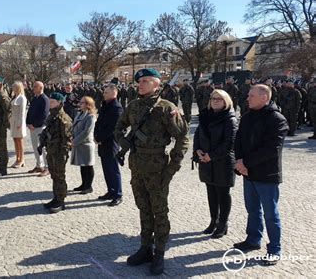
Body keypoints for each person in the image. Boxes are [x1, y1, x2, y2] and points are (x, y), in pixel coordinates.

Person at [114, 68, 189, 276]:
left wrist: (172, 167)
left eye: (146, 81)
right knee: (143, 208)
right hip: (137, 165)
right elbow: (118, 128)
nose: (141, 84)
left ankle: (160, 252)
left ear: (157, 84)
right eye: (140, 81)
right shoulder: (134, 106)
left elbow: (182, 138)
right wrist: (124, 144)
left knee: (159, 211)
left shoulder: (167, 108)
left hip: (158, 168)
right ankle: (145, 247)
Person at [233, 84, 289, 266]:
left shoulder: (277, 119)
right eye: (248, 95)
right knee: (252, 210)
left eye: (251, 96)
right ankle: (253, 239)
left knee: (270, 214)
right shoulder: (247, 117)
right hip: (248, 173)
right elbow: (238, 140)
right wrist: (239, 162)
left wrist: (245, 163)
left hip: (266, 174)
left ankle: (274, 249)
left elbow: (271, 149)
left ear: (264, 97)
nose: (247, 98)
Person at [193, 89, 238, 239]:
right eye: (213, 98)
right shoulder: (205, 115)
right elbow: (198, 135)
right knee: (211, 192)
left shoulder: (230, 119)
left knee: (223, 194)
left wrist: (211, 156)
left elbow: (229, 143)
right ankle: (214, 220)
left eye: (219, 99)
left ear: (226, 101)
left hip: (222, 161)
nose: (215, 101)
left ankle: (223, 223)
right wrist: (197, 150)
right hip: (206, 160)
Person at [38, 92, 73, 213]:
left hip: (59, 152)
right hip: (51, 150)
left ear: (60, 103)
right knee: (54, 175)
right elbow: (46, 131)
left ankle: (61, 201)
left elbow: (68, 140)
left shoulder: (63, 119)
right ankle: (55, 197)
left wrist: (63, 154)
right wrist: (41, 144)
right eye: (50, 101)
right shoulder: (51, 116)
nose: (50, 103)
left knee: (59, 176)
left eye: (53, 102)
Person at [94, 84, 124, 206]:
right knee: (106, 169)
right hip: (102, 142)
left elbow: (112, 128)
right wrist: (96, 136)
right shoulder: (105, 106)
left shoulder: (117, 108)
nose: (104, 94)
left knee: (113, 169)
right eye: (104, 92)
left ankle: (118, 194)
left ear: (114, 93)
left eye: (106, 92)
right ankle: (110, 191)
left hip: (111, 143)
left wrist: (100, 137)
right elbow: (98, 122)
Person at [70, 96, 97, 194]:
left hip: (86, 144)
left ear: (87, 104)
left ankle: (89, 186)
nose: (79, 104)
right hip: (79, 143)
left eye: (82, 103)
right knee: (82, 165)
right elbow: (74, 127)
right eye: (80, 102)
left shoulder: (91, 116)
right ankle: (83, 184)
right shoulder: (79, 114)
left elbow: (86, 132)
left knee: (88, 166)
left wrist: (75, 141)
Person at [26, 81, 50, 176]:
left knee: (43, 148)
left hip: (40, 127)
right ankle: (39, 165)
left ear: (41, 88)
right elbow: (29, 112)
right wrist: (28, 123)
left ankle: (47, 167)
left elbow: (44, 115)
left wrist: (34, 124)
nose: (33, 88)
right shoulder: (34, 99)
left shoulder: (45, 99)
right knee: (35, 147)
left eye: (35, 86)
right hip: (32, 127)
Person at [10, 81, 27, 168]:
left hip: (19, 121)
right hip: (13, 121)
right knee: (15, 140)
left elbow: (22, 112)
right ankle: (17, 158)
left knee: (19, 141)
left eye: (14, 87)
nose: (12, 89)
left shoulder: (22, 98)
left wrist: (20, 123)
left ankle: (21, 159)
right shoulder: (14, 97)